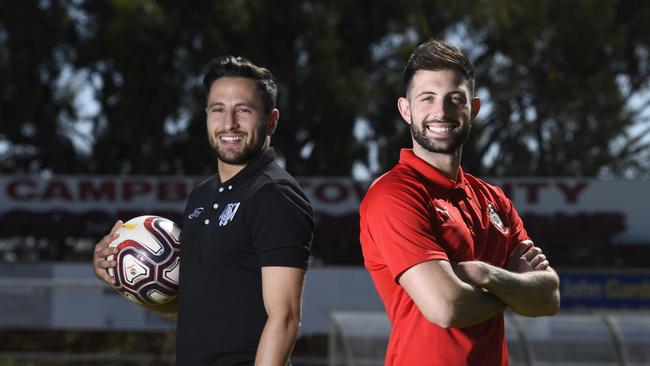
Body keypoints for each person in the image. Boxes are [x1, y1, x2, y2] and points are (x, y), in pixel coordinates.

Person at [93, 56, 315, 366]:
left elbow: (285, 317)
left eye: (244, 110)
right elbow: (187, 307)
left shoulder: (274, 195)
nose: (229, 124)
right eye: (218, 110)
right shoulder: (201, 195)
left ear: (271, 121)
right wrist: (119, 275)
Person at [359, 39, 560, 365]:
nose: (441, 112)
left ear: (474, 109)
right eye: (427, 98)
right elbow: (446, 307)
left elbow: (548, 297)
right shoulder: (394, 194)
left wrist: (484, 274)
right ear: (405, 109)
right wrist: (512, 288)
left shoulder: (494, 199)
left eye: (455, 99)